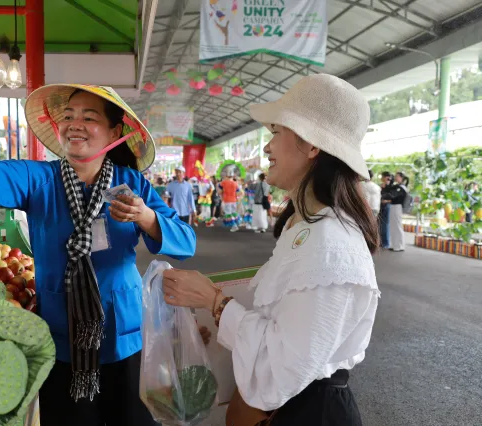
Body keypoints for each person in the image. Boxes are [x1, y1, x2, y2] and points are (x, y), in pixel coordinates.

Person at [0, 84, 196, 426]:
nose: (75, 123)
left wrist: (146, 217)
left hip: (126, 337)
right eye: (68, 116)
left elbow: (186, 242)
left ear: (114, 132)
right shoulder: (39, 179)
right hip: (62, 339)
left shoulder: (132, 184)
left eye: (89, 117)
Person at [162, 74, 379, 426]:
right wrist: (210, 321)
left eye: (276, 132)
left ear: (312, 146)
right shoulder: (307, 227)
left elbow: (282, 370)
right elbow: (279, 321)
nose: (267, 147)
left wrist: (215, 304)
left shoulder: (331, 244)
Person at [384, 171, 409, 252]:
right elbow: (389, 190)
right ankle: (395, 245)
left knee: (397, 226)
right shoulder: (398, 186)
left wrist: (383, 197)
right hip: (393, 206)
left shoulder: (401, 187)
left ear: (401, 178)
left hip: (397, 207)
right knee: (393, 226)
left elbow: (392, 194)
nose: (395, 177)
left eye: (397, 176)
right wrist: (389, 183)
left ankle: (399, 246)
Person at [379, 171, 394, 249]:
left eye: (382, 176)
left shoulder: (391, 186)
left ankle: (386, 243)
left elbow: (392, 197)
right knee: (381, 224)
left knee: (385, 224)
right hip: (381, 206)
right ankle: (381, 242)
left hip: (387, 205)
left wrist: (387, 201)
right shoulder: (381, 186)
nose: (381, 178)